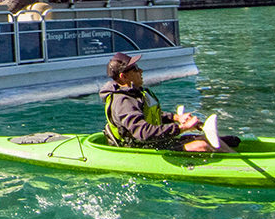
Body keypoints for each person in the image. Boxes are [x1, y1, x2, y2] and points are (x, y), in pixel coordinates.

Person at [98, 53, 237, 152]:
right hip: (140, 149)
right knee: (200, 146)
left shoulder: (135, 93)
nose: (140, 70)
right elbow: (143, 132)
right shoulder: (124, 101)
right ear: (124, 76)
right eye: (135, 68)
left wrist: (176, 118)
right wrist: (183, 128)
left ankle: (233, 159)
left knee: (224, 139)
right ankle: (235, 169)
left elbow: (149, 116)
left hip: (154, 143)